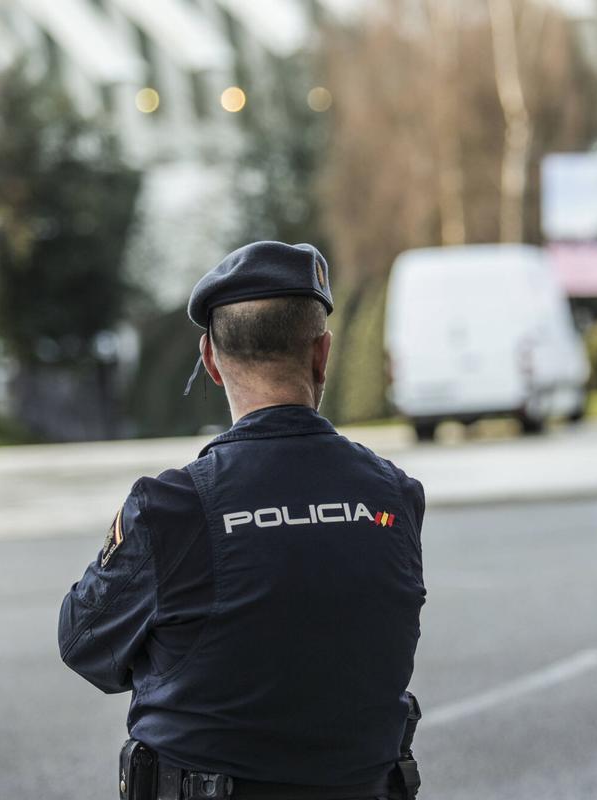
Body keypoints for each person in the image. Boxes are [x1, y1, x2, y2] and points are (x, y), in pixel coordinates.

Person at [59, 241, 426, 800]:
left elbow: (84, 644)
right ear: (322, 354)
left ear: (210, 359)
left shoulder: (168, 509)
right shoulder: (394, 497)